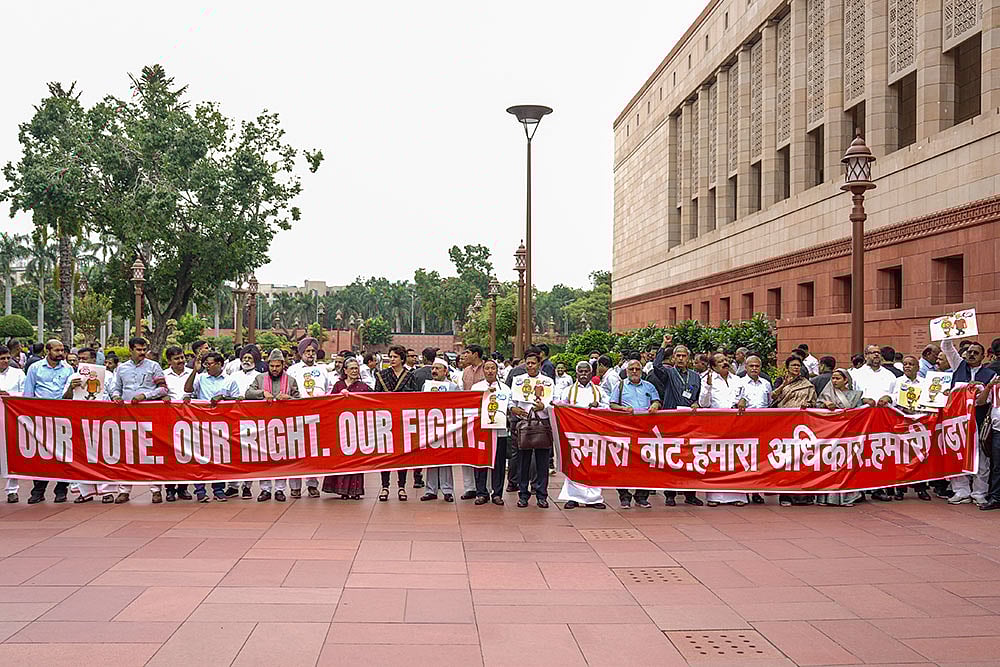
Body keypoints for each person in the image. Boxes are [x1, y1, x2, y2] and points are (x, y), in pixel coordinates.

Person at [105, 336, 168, 504]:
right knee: (126, 452)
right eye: (138, 350)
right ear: (130, 350)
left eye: (144, 349)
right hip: (126, 414)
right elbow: (115, 388)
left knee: (151, 453)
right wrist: (116, 396)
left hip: (148, 413)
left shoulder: (154, 366)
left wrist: (145, 396)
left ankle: (156, 490)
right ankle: (124, 491)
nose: (142, 352)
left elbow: (163, 389)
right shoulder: (121, 368)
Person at [651, 335, 704, 507]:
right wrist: (663, 345)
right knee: (672, 458)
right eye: (678, 356)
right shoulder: (668, 373)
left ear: (689, 358)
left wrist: (697, 403)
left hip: (690, 423)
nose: (681, 358)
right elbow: (656, 366)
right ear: (673, 358)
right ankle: (670, 494)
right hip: (672, 421)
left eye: (684, 356)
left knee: (691, 458)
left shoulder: (696, 376)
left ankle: (690, 494)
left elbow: (698, 397)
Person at [23, 340, 75, 504]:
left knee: (63, 454)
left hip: (62, 416)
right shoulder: (35, 368)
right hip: (40, 417)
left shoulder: (68, 369)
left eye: (62, 350)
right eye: (57, 350)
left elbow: (70, 396)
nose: (60, 353)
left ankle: (61, 490)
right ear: (48, 350)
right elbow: (28, 394)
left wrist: (71, 388)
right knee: (41, 455)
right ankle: (38, 491)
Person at [184, 351, 240, 502]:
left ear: (220, 364)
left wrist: (223, 397)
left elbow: (237, 401)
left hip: (221, 424)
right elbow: (188, 390)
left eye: (210, 364)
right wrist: (195, 371)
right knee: (199, 457)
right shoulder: (201, 378)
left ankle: (218, 489)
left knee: (219, 457)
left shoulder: (230, 380)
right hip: (200, 423)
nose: (207, 367)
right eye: (206, 364)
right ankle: (200, 490)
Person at [245, 349, 300, 501]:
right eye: (272, 366)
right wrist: (262, 393)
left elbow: (300, 402)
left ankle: (280, 490)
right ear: (268, 365)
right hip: (264, 425)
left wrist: (289, 398)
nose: (274, 369)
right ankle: (265, 489)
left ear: (283, 365)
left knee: (282, 458)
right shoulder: (260, 378)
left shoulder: (291, 380)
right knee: (264, 458)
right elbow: (248, 393)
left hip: (284, 426)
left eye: (277, 366)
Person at [555, 360, 609, 510]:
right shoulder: (568, 391)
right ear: (576, 373)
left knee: (594, 465)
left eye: (586, 372)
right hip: (574, 433)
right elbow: (561, 406)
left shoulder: (599, 391)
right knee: (575, 464)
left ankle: (594, 498)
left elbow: (608, 407)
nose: (583, 374)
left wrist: (598, 405)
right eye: (581, 371)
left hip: (594, 434)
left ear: (591, 374)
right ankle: (573, 497)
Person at [879, 355, 933, 502]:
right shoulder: (897, 382)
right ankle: (900, 489)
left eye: (911, 364)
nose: (907, 366)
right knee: (901, 456)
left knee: (920, 456)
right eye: (905, 364)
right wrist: (887, 398)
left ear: (918, 367)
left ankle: (921, 488)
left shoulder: (925, 382)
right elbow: (891, 396)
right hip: (901, 422)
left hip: (920, 422)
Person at [698, 353, 748, 507]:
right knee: (716, 459)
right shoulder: (707, 380)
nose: (725, 363)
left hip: (736, 424)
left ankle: (738, 495)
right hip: (716, 425)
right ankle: (715, 496)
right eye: (720, 361)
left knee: (736, 459)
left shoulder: (738, 379)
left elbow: (745, 396)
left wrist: (743, 400)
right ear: (713, 366)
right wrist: (707, 386)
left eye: (725, 360)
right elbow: (703, 404)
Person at [609, 358, 660, 508]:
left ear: (642, 371)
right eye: (631, 369)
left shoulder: (649, 386)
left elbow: (657, 400)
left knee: (645, 464)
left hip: (645, 431)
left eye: (637, 369)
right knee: (623, 464)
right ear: (626, 371)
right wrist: (623, 409)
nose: (634, 371)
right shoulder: (620, 386)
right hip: (625, 431)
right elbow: (612, 404)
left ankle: (641, 496)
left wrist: (655, 405)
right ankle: (624, 496)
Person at [509, 349, 555, 508]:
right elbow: (511, 400)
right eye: (527, 363)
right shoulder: (518, 381)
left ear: (539, 364)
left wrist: (544, 406)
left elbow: (554, 401)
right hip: (523, 424)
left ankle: (542, 495)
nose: (530, 366)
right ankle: (523, 494)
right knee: (523, 462)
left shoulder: (548, 382)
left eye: (533, 363)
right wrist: (513, 409)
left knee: (542, 462)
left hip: (542, 423)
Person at [286, 337, 330, 498]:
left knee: (314, 451)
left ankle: (312, 484)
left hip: (317, 415)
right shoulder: (293, 370)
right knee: (296, 451)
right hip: (297, 414)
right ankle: (295, 487)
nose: (310, 354)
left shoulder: (323, 370)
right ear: (301, 353)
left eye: (313, 351)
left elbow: (328, 389)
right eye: (307, 351)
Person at [374, 344, 419, 501]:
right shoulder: (381, 375)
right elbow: (375, 396)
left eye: (395, 357)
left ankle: (402, 487)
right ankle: (385, 487)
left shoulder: (410, 376)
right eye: (390, 357)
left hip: (403, 420)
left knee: (402, 455)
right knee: (385, 455)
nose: (392, 359)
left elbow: (416, 397)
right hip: (385, 420)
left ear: (402, 359)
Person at [771, 355, 817, 507]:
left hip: (802, 425)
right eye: (793, 365)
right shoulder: (781, 381)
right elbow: (773, 397)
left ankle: (804, 496)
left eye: (798, 365)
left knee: (803, 459)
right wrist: (784, 385)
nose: (796, 368)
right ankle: (785, 495)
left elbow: (814, 402)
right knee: (787, 459)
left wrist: (808, 405)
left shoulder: (807, 384)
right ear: (787, 368)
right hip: (784, 424)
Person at [814, 369, 864, 507]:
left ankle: (847, 497)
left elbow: (860, 413)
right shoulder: (826, 395)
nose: (834, 381)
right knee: (828, 465)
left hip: (848, 435)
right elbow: (817, 408)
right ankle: (825, 498)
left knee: (847, 466)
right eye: (833, 378)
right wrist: (825, 405)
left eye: (838, 378)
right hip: (830, 435)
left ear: (846, 380)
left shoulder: (855, 395)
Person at [324, 358, 367, 499]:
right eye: (352, 368)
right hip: (340, 428)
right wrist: (339, 396)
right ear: (345, 371)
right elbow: (329, 403)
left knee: (356, 459)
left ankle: (355, 490)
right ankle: (341, 489)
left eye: (356, 368)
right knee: (341, 458)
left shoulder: (364, 387)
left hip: (357, 428)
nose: (354, 371)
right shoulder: (338, 385)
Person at [419, 357, 460, 502]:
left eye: (438, 368)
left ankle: (447, 490)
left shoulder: (453, 387)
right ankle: (431, 490)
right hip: (430, 426)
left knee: (445, 458)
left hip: (447, 427)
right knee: (431, 457)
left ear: (445, 371)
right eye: (433, 368)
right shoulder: (426, 386)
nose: (434, 371)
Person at [471, 359, 510, 505]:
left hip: (499, 431)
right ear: (483, 370)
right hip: (481, 432)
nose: (490, 371)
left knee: (499, 463)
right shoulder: (476, 388)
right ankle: (481, 492)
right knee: (480, 462)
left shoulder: (505, 388)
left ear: (497, 370)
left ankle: (497, 493)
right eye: (487, 368)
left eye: (492, 368)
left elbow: (510, 406)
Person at [226, 345, 262, 499]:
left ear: (255, 360)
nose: (246, 361)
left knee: (249, 454)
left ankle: (247, 486)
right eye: (244, 358)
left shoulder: (260, 377)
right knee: (233, 453)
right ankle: (233, 486)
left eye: (249, 358)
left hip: (251, 419)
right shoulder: (233, 376)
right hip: (233, 418)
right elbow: (225, 393)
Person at [160, 346, 193, 502]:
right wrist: (162, 398)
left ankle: (183, 488)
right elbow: (157, 391)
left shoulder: (193, 374)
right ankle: (170, 489)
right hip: (169, 419)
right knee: (170, 455)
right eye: (176, 358)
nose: (181, 361)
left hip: (189, 420)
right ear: (169, 361)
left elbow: (197, 393)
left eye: (182, 357)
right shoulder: (163, 375)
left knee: (186, 454)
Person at [458, 344, 487, 500]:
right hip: (468, 415)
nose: (465, 356)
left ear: (476, 354)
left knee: (484, 451)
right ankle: (470, 487)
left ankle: (486, 487)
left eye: (467, 353)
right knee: (467, 450)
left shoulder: (487, 369)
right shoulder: (465, 371)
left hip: (484, 415)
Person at [0, 344, 27, 503]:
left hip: (11, 418)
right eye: (2, 359)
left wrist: (9, 395)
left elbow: (25, 393)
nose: (5, 361)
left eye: (7, 358)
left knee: (11, 453)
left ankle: (12, 490)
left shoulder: (18, 373)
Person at [852, 345, 898, 411]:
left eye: (878, 353)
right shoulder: (856, 374)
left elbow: (896, 394)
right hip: (863, 412)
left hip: (884, 412)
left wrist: (889, 398)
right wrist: (862, 400)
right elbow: (850, 395)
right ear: (866, 356)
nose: (876, 354)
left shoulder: (889, 375)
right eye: (873, 352)